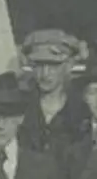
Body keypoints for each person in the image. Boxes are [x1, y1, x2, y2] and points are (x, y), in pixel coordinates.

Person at [16, 29, 90, 157]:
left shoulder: (83, 111)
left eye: (53, 65)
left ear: (69, 65)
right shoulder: (20, 107)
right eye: (39, 65)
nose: (45, 73)